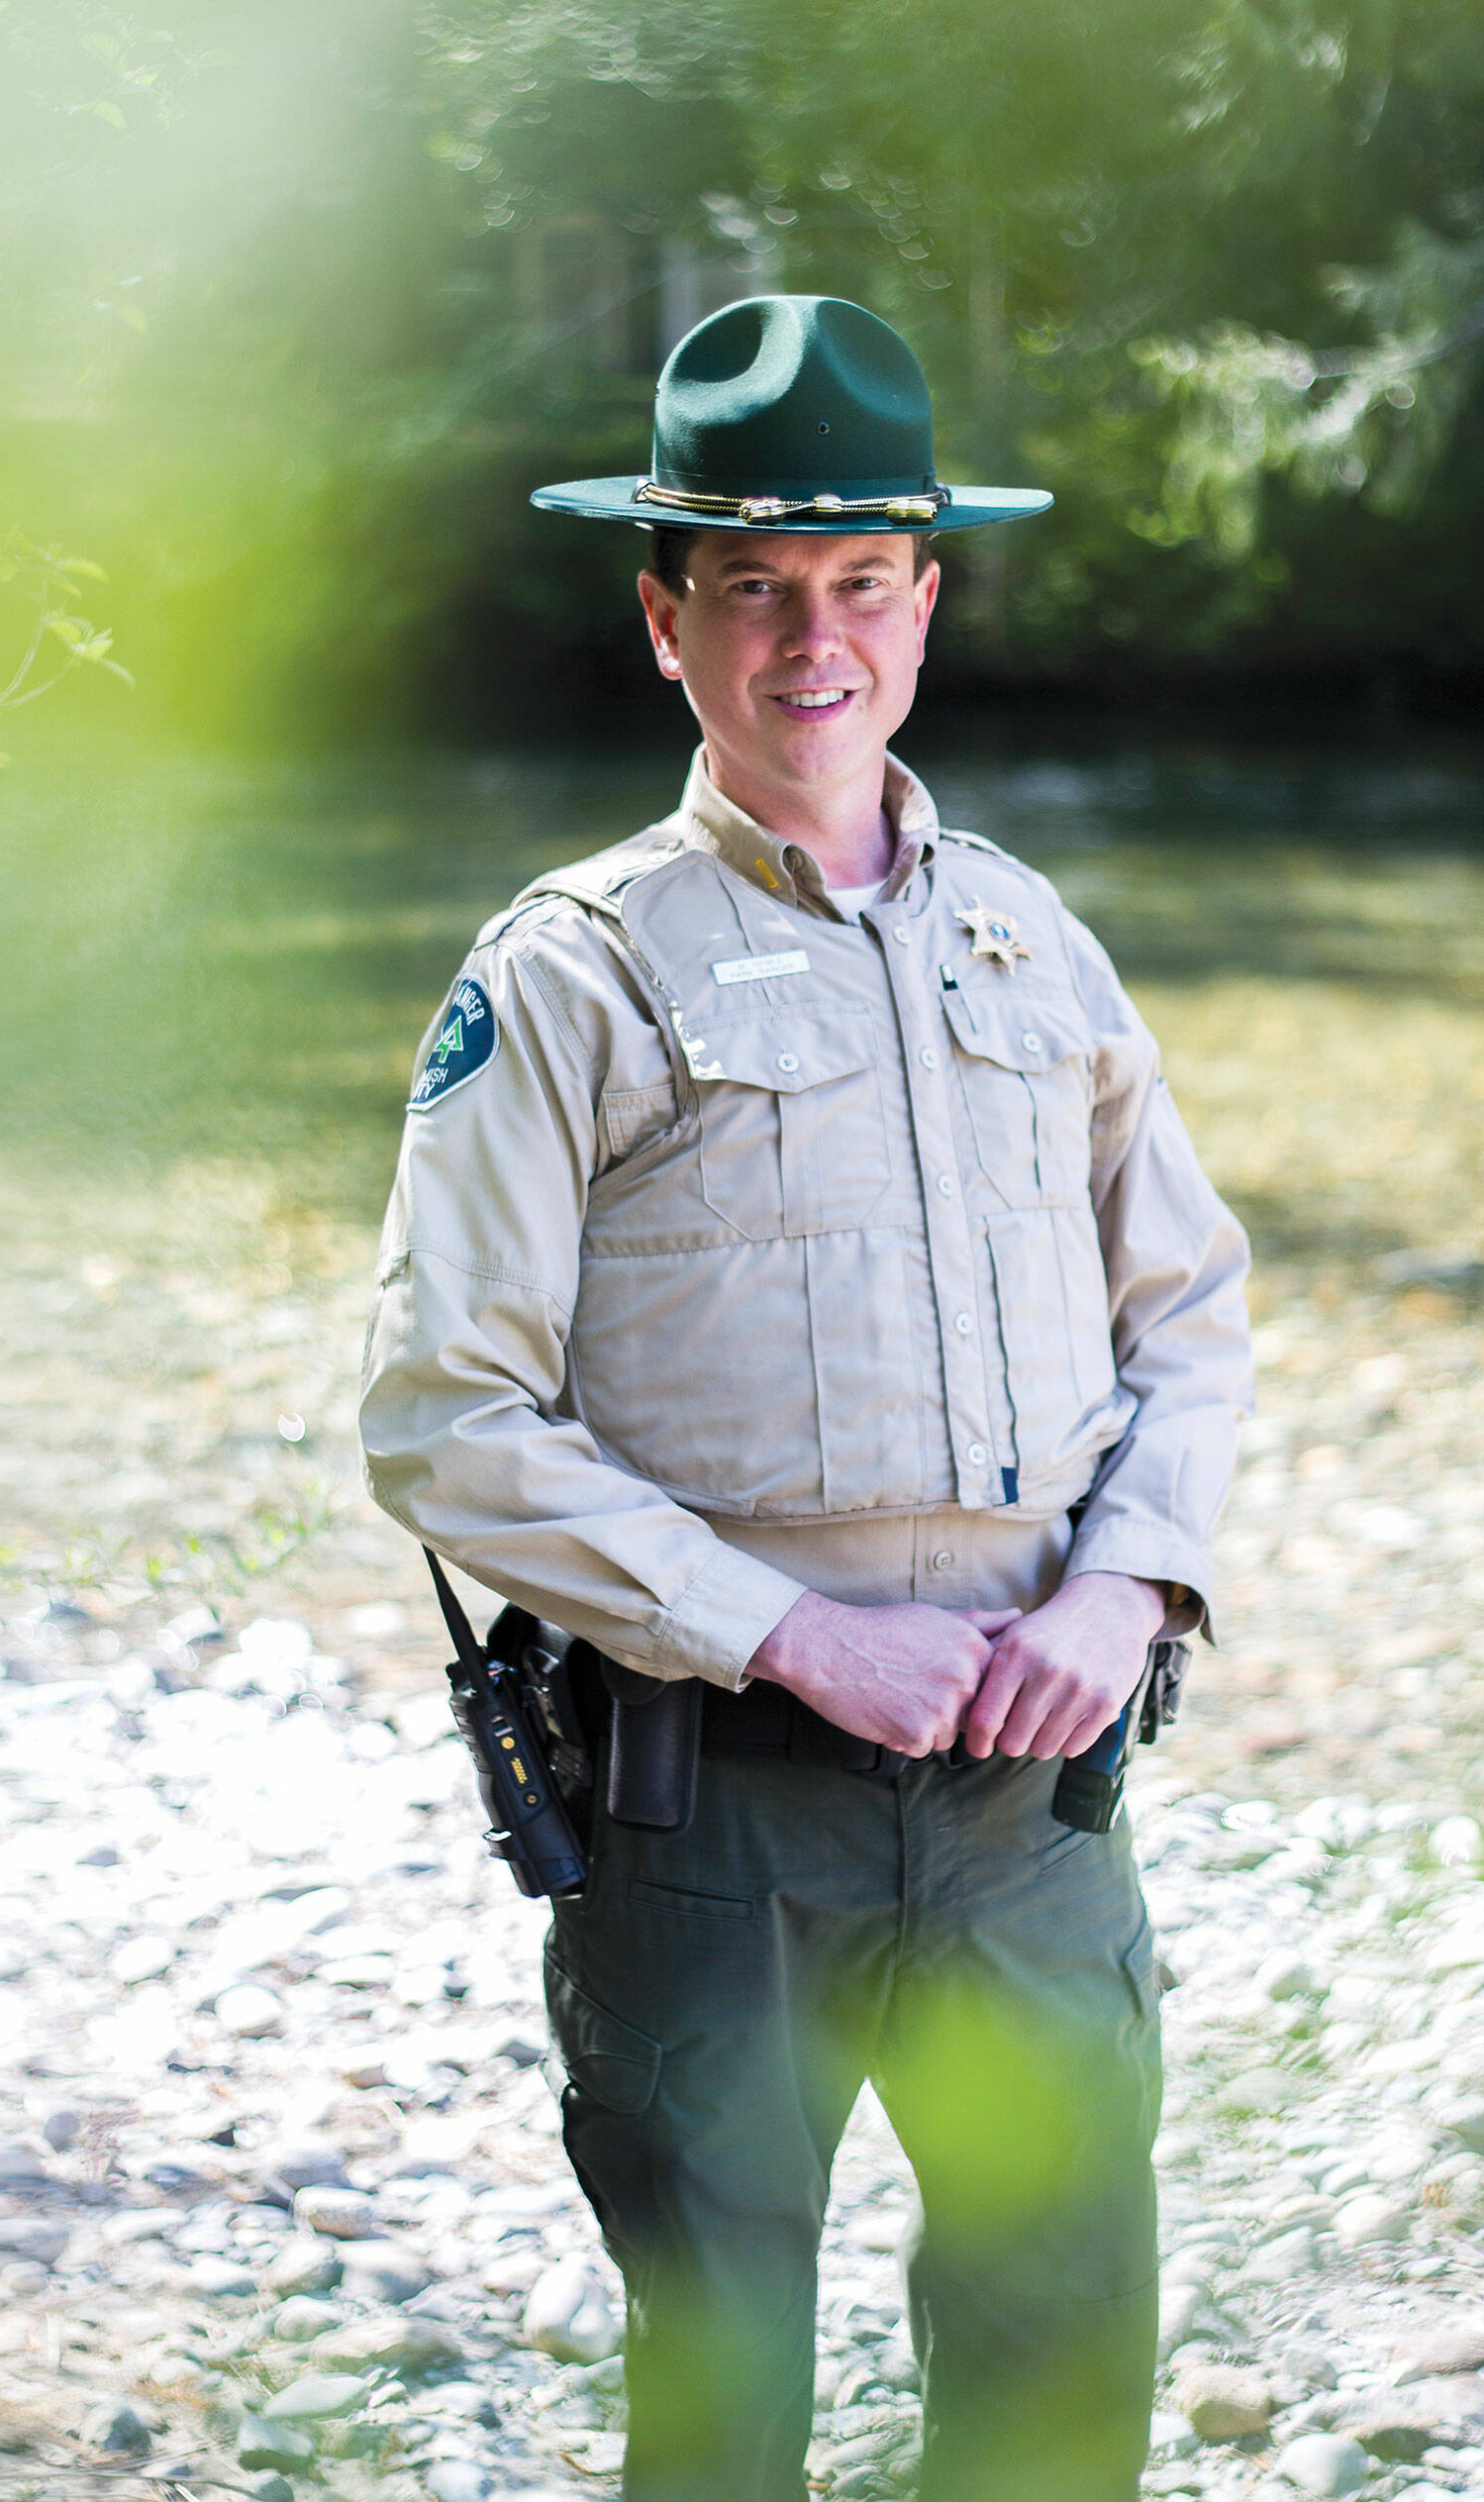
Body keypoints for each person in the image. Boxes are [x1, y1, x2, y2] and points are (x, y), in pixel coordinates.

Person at [358, 293, 1252, 2502]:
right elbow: (439, 1413)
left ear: (925, 608)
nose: (810, 639)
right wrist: (795, 1630)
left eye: (858, 583)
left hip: (1029, 1815)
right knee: (725, 2415)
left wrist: (1124, 1594)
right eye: (752, 588)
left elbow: (1196, 1312)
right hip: (710, 1814)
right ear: (668, 624)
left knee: (1055, 2395)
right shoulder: (569, 966)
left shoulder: (1035, 942)